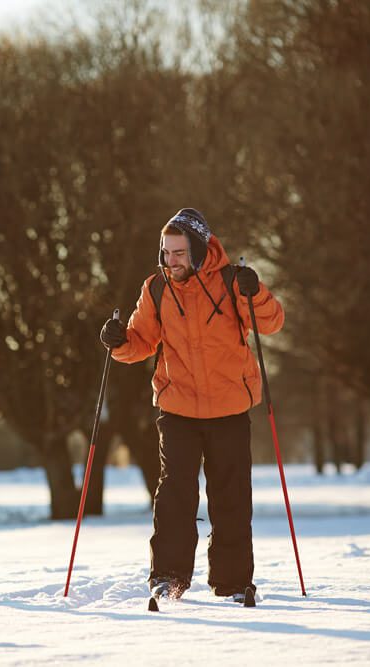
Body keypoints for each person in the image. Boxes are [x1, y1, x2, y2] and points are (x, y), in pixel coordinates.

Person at [99, 208, 284, 602]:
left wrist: (258, 293)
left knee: (231, 498)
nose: (171, 261)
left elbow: (271, 323)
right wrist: (117, 342)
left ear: (199, 250)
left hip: (230, 407)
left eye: (179, 253)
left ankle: (234, 583)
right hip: (178, 409)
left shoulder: (233, 281)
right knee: (174, 497)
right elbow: (140, 342)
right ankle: (168, 578)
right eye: (166, 252)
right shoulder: (157, 289)